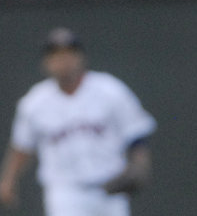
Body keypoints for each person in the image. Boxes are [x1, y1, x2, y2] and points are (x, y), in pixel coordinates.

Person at [0, 27, 157, 216]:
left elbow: (136, 134)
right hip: (65, 192)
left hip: (110, 186)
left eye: (69, 54)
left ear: (81, 57)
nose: (64, 62)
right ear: (46, 63)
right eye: (56, 56)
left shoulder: (110, 90)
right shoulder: (34, 102)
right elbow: (22, 147)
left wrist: (140, 164)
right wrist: (8, 180)